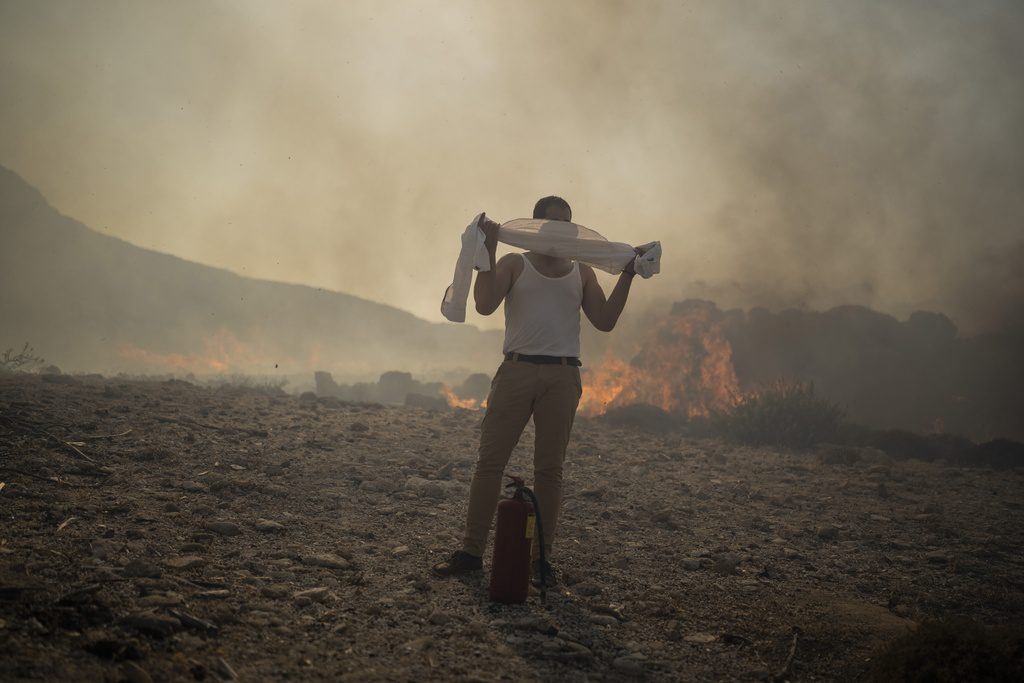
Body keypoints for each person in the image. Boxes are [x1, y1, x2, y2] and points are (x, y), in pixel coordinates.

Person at [433, 195, 645, 582]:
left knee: (550, 470)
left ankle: (539, 560)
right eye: (553, 223)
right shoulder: (516, 263)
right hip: (516, 370)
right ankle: (470, 551)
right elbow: (483, 304)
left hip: (563, 377)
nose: (561, 229)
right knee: (490, 464)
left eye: (567, 222)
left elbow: (605, 320)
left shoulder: (581, 273)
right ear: (538, 227)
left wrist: (628, 273)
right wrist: (491, 249)